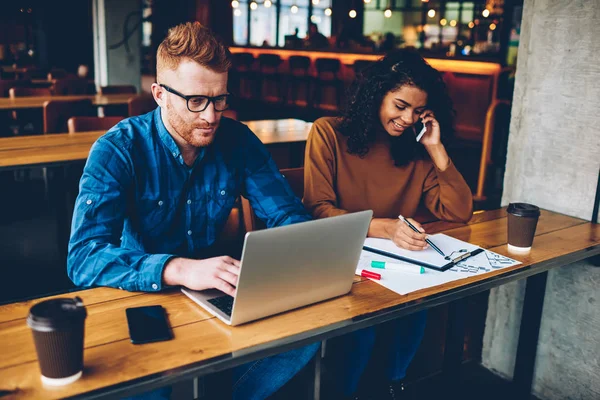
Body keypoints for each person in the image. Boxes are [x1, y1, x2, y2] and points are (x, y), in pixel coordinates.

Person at [67, 21, 319, 400]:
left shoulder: (237, 140)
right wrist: (182, 268)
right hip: (143, 291)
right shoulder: (118, 149)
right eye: (196, 101)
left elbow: (287, 215)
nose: (211, 115)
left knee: (305, 339)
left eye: (220, 99)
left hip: (216, 286)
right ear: (159, 94)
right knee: (153, 389)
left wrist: (298, 250)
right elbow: (83, 257)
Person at [303, 49, 473, 399]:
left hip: (396, 267)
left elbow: (459, 212)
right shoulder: (329, 134)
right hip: (341, 261)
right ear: (375, 96)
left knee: (416, 305)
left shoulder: (415, 151)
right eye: (399, 106)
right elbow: (318, 210)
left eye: (418, 111)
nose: (408, 119)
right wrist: (385, 228)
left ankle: (393, 385)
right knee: (362, 324)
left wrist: (436, 149)